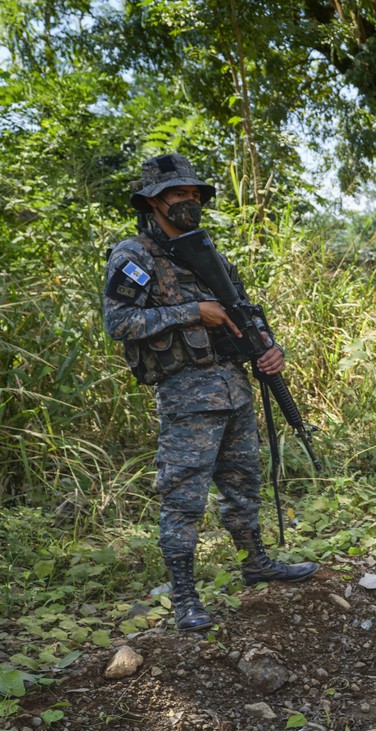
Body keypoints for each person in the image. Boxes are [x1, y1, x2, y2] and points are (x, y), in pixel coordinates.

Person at [103, 153, 317, 633]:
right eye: (178, 195)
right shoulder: (133, 255)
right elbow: (119, 323)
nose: (189, 202)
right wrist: (192, 312)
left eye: (194, 195)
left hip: (234, 388)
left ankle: (256, 562)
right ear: (154, 203)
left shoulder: (208, 254)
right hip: (186, 394)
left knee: (243, 485)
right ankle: (184, 597)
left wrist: (268, 347)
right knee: (183, 497)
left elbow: (243, 310)